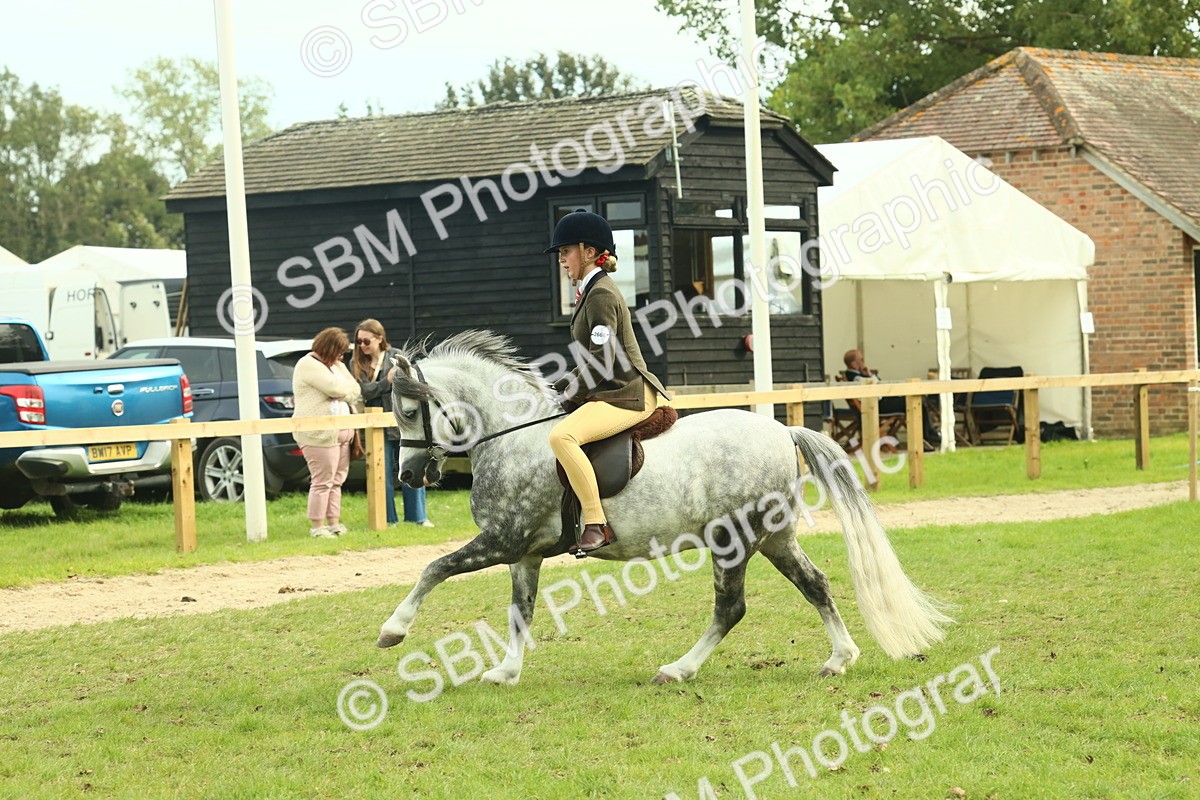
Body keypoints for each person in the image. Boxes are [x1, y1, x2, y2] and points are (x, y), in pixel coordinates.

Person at [545, 210, 672, 555]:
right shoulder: (591, 291)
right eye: (560, 254)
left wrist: (571, 389)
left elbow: (601, 361)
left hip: (626, 395)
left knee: (562, 436)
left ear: (589, 252)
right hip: (611, 390)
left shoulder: (600, 294)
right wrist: (562, 383)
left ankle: (596, 523)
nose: (561, 260)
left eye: (566, 252)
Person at [351, 318, 434, 528]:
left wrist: (386, 384)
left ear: (379, 338)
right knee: (382, 474)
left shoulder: (396, 356)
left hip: (401, 422)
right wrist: (385, 382)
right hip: (376, 425)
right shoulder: (356, 363)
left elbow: (408, 386)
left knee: (411, 467)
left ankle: (418, 517)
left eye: (366, 341)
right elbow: (364, 391)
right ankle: (388, 519)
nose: (362, 345)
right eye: (358, 341)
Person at [294, 327, 362, 538]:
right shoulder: (308, 364)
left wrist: (346, 391)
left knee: (337, 480)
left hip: (343, 432)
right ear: (329, 348)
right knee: (322, 480)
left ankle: (334, 522)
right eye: (339, 352)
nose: (341, 357)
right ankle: (317, 526)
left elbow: (355, 389)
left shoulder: (337, 365)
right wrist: (345, 391)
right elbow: (335, 389)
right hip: (319, 434)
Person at [842, 349, 941, 449]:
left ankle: (929, 434)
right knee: (915, 400)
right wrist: (870, 376)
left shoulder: (855, 375)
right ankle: (926, 436)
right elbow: (878, 386)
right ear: (854, 364)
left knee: (918, 399)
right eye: (862, 359)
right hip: (878, 406)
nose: (864, 362)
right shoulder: (855, 377)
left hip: (879, 403)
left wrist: (869, 374)